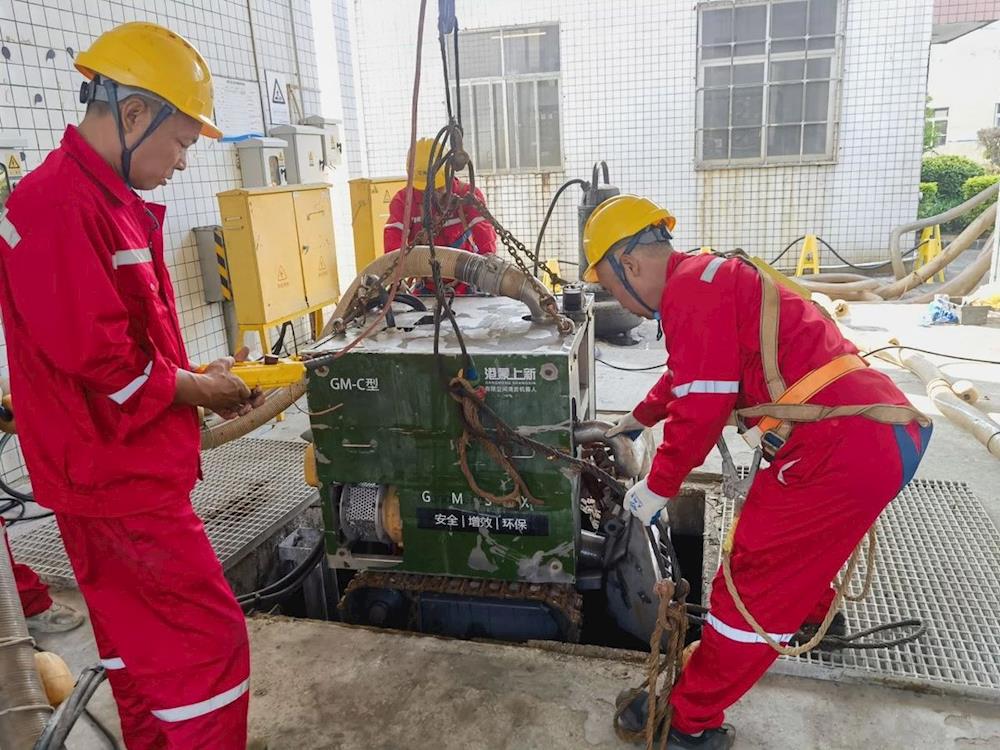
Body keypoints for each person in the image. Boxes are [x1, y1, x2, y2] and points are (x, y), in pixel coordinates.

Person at [582, 195, 932, 749]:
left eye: (610, 286)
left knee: (745, 588)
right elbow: (690, 374)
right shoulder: (704, 276)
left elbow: (701, 408)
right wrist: (639, 417)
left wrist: (658, 487)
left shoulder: (689, 293)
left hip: (840, 451)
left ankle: (689, 723)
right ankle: (815, 616)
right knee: (798, 555)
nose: (618, 301)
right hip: (880, 431)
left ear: (629, 264)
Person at [0, 22, 263, 749]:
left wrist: (198, 376)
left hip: (111, 470)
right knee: (207, 651)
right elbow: (104, 361)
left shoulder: (103, 199)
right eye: (179, 142)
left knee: (138, 655)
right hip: (116, 479)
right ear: (134, 112)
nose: (182, 161)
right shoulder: (60, 204)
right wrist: (202, 393)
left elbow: (129, 342)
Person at [383, 137, 497, 294]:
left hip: (466, 285)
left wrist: (488, 272)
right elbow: (394, 239)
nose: (432, 193)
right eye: (425, 188)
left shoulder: (467, 195)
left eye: (438, 187)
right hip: (426, 287)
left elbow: (484, 234)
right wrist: (396, 277)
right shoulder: (404, 201)